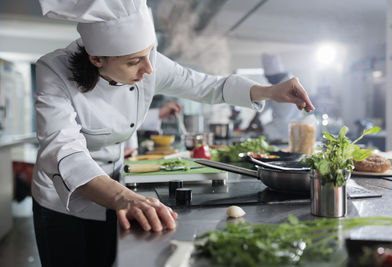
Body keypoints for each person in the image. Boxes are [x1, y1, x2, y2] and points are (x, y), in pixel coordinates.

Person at [32, 0, 315, 266]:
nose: (149, 69)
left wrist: (269, 91)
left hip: (116, 187)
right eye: (134, 62)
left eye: (149, 54)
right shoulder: (53, 71)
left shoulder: (147, 62)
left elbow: (207, 86)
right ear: (96, 59)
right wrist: (123, 197)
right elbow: (65, 151)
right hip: (63, 201)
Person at [245, 54, 303, 142]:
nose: (268, 81)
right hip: (279, 132)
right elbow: (265, 104)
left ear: (275, 75)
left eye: (268, 78)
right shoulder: (276, 86)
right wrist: (254, 119)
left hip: (288, 134)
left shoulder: (290, 88)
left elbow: (282, 120)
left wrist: (262, 129)